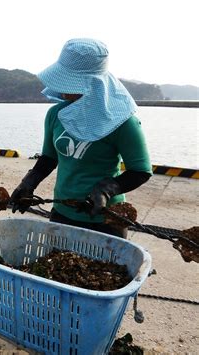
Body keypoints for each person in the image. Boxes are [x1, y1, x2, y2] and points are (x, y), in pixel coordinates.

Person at [11, 38, 152, 238]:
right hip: (62, 213)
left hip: (106, 219)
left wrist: (107, 189)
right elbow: (49, 158)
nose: (62, 88)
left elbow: (140, 171)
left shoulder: (124, 123)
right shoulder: (56, 115)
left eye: (67, 81)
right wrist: (29, 182)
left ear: (92, 84)